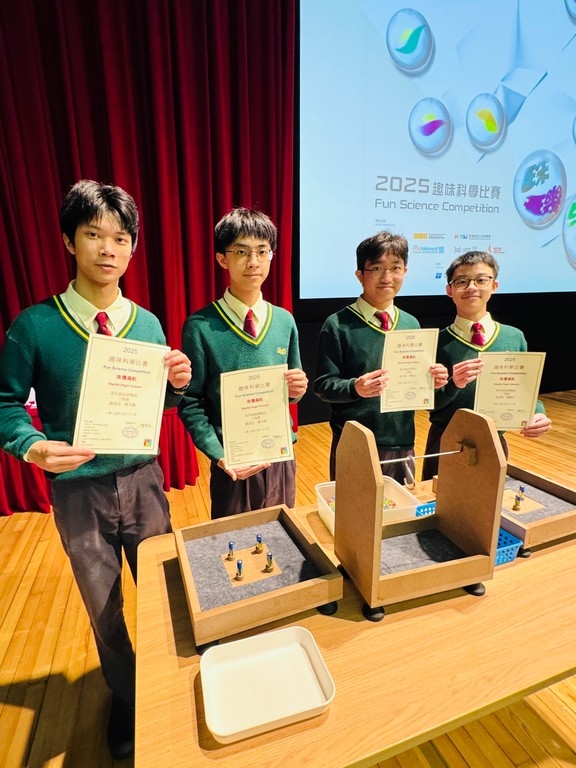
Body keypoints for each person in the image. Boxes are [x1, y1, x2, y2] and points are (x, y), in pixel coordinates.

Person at [0, 180, 192, 760]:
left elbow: (154, 406)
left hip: (144, 482)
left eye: (121, 238)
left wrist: (176, 386)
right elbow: (7, 403)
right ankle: (128, 696)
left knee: (163, 590)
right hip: (78, 492)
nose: (108, 249)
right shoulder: (35, 326)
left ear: (132, 248)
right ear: (69, 241)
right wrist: (32, 446)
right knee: (103, 605)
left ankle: (170, 683)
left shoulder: (148, 325)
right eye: (93, 235)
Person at [178, 207, 308, 518]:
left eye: (262, 251)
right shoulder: (200, 326)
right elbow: (190, 402)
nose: (253, 262)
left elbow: (292, 389)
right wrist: (219, 454)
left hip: (280, 456)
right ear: (223, 259)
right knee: (234, 540)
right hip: (233, 463)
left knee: (283, 535)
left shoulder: (284, 321)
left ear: (271, 256)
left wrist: (296, 390)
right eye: (241, 252)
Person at [313, 230, 448, 482]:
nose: (387, 277)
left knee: (402, 506)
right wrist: (355, 387)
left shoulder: (411, 323)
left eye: (395, 268)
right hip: (355, 442)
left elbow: (416, 384)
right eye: (376, 268)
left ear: (405, 271)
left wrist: (432, 381)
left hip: (402, 441)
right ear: (359, 275)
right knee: (354, 506)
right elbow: (323, 386)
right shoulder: (337, 324)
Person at [421, 250, 551, 480]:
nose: (472, 287)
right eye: (462, 281)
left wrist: (537, 412)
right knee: (438, 501)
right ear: (449, 290)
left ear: (494, 285)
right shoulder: (436, 342)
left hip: (494, 442)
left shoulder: (513, 337)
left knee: (491, 501)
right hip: (445, 441)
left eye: (481, 280)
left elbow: (524, 391)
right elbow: (430, 404)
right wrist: (454, 384)